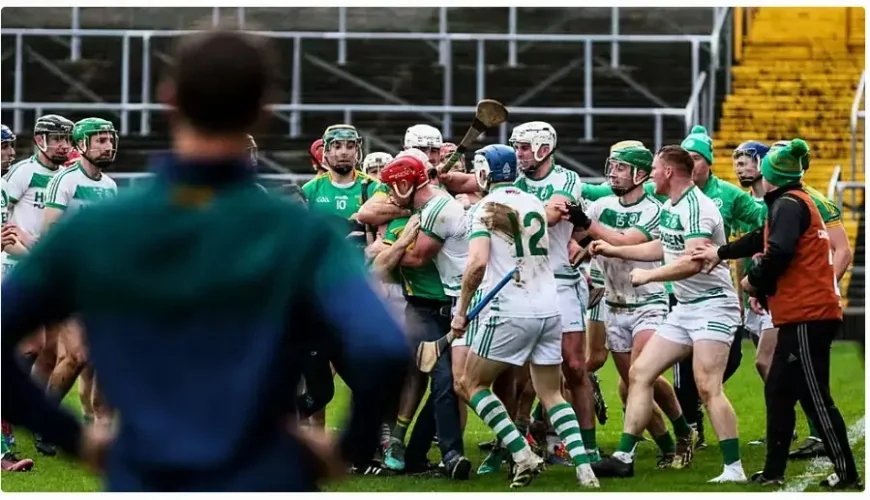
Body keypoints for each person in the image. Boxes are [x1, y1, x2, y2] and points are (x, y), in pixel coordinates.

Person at [0, 28, 410, 492]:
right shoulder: (299, 233)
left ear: (169, 101)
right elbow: (384, 346)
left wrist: (73, 438)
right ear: (264, 109)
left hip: (146, 473)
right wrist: (346, 448)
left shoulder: (100, 227)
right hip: (261, 474)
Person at [691, 139, 861, 490]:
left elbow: (777, 251)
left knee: (815, 395)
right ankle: (773, 471)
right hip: (800, 314)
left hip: (808, 314)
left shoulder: (787, 204)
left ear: (770, 176)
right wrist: (721, 252)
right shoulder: (790, 202)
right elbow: (760, 238)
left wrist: (754, 282)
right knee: (779, 391)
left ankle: (847, 473)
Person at [588, 145, 746, 483]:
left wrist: (650, 276)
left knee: (707, 386)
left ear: (669, 172)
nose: (652, 176)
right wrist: (616, 250)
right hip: (686, 308)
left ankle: (733, 469)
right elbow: (664, 246)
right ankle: (624, 458)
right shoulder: (673, 205)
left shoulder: (697, 208)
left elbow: (693, 261)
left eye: (655, 170)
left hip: (713, 304)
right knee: (640, 373)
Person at [452, 144, 599, 488]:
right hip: (549, 306)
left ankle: (522, 454)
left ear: (484, 173)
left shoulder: (485, 208)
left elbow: (477, 264)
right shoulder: (534, 202)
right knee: (551, 392)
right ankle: (585, 469)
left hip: (509, 308)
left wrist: (461, 311)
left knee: (468, 383)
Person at [565, 144, 690, 469]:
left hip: (649, 302)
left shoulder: (656, 209)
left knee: (639, 377)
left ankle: (629, 454)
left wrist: (587, 224)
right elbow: (581, 237)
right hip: (613, 305)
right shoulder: (602, 204)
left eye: (621, 168)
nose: (613, 173)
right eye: (612, 166)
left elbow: (625, 241)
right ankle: (673, 441)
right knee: (639, 383)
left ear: (640, 174)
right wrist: (574, 234)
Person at [373, 154, 471, 480]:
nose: (389, 196)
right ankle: (442, 453)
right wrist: (399, 243)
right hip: (422, 309)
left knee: (453, 382)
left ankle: (415, 450)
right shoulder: (405, 221)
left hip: (454, 307)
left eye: (391, 187)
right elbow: (379, 266)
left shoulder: (435, 211)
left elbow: (409, 258)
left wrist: (392, 251)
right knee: (436, 379)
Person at [510, 121, 601, 462]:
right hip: (525, 282)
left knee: (574, 366)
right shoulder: (514, 182)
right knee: (519, 373)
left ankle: (588, 447)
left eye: (524, 147)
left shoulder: (567, 179)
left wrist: (510, 211)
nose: (519, 154)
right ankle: (518, 444)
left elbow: (550, 216)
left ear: (543, 149)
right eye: (516, 148)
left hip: (561, 281)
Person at [40, 117, 120, 439]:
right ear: (83, 144)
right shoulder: (65, 180)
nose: (108, 146)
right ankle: (45, 423)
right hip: (67, 283)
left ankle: (101, 426)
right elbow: (49, 233)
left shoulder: (110, 186)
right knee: (76, 356)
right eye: (100, 140)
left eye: (110, 140)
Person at [3, 114, 74, 455]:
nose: (62, 145)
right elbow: (4, 213)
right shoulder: (23, 172)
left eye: (66, 139)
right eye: (56, 138)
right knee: (30, 347)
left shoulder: (64, 176)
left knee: (49, 350)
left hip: (47, 270)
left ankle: (33, 420)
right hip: (18, 265)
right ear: (41, 140)